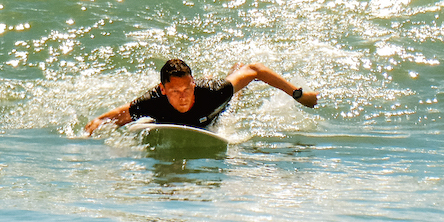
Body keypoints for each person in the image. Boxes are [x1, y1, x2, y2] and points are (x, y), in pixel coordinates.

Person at [84, 59, 318, 135]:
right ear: (163, 90)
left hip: (214, 108)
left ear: (193, 83)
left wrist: (299, 95)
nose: (183, 97)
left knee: (234, 93)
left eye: (187, 89)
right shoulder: (152, 102)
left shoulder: (212, 92)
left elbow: (255, 70)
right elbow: (108, 118)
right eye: (175, 92)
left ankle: (230, 77)